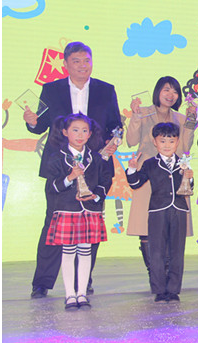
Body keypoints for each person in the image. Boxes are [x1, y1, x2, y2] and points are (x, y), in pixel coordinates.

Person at [24, 41, 122, 299]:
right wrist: (32, 122)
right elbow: (40, 125)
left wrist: (116, 139)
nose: (82, 66)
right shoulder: (52, 89)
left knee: (90, 224)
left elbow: (115, 125)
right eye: (76, 61)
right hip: (60, 167)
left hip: (95, 165)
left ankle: (83, 280)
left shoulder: (105, 90)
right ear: (66, 64)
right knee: (53, 223)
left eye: (87, 60)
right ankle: (42, 282)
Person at [126, 76, 196, 279]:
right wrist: (135, 116)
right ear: (158, 91)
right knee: (146, 226)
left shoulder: (181, 118)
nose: (170, 95)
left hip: (173, 176)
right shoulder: (144, 113)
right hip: (148, 175)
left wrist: (191, 121)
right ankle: (154, 274)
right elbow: (131, 141)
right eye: (166, 89)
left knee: (172, 227)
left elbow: (185, 147)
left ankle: (167, 274)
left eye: (175, 91)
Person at [45, 113, 112, 310]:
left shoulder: (96, 158)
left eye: (84, 131)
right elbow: (52, 187)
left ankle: (82, 293)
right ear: (65, 132)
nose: (80, 135)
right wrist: (70, 177)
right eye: (75, 130)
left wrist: (96, 196)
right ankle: (69, 295)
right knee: (68, 252)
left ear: (90, 134)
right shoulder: (57, 157)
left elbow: (105, 181)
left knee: (85, 251)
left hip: (89, 211)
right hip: (67, 210)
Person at [127, 123, 194, 303]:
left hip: (179, 210)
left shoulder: (183, 162)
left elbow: (189, 189)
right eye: (162, 141)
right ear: (155, 142)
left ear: (177, 142)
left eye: (171, 141)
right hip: (158, 210)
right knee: (156, 251)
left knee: (177, 251)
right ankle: (159, 290)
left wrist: (190, 178)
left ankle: (173, 290)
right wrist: (132, 169)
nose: (167, 145)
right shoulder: (150, 163)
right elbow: (136, 183)